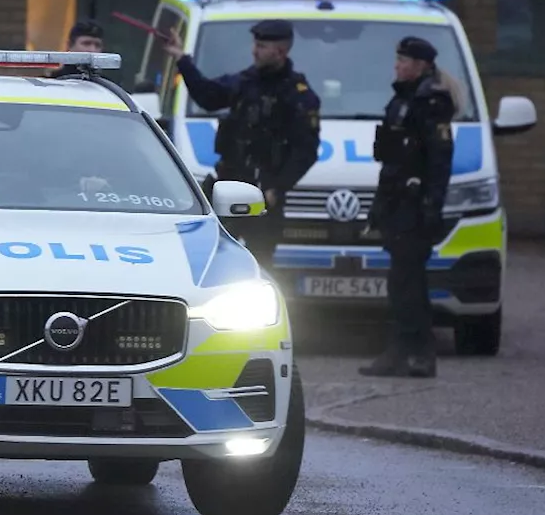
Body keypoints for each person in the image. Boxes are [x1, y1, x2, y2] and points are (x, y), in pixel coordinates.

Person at [160, 19, 321, 272]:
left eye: (261, 46)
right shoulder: (246, 82)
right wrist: (182, 59)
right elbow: (208, 96)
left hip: (263, 197)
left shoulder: (298, 95)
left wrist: (276, 188)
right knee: (215, 263)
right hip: (229, 188)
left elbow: (306, 151)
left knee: (260, 267)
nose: (254, 51)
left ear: (280, 51)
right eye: (255, 44)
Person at [359, 36, 456, 379]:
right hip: (396, 203)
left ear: (421, 65)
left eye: (404, 60)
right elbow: (390, 163)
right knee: (400, 282)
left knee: (410, 282)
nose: (397, 65)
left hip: (416, 207)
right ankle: (399, 351)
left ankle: (419, 353)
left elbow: (439, 161)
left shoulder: (431, 103)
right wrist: (378, 206)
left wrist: (432, 206)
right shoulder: (401, 101)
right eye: (398, 59)